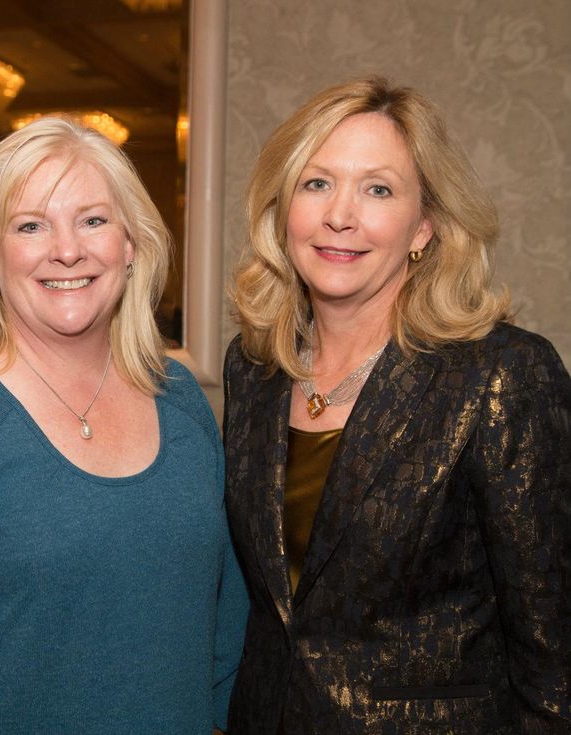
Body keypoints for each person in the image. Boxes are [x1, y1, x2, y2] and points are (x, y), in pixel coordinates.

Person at [0, 116, 249, 734]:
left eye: (93, 220)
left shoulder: (180, 399)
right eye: (31, 225)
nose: (67, 250)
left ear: (131, 245)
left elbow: (225, 636)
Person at [223, 76, 571, 734]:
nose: (340, 215)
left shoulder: (502, 376)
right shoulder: (255, 370)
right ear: (283, 207)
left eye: (378, 188)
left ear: (425, 224)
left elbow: (555, 661)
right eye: (316, 182)